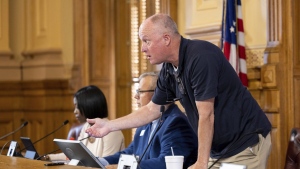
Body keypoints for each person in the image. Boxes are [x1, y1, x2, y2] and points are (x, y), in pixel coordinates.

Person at [86, 13, 272, 169]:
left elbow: (206, 115)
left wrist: (201, 162)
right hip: (218, 150)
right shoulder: (169, 68)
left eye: (146, 41)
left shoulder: (200, 57)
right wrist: (109, 125)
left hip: (245, 143)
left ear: (166, 39)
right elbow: (152, 110)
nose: (142, 49)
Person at [99, 72, 198, 169]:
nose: (136, 96)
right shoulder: (144, 121)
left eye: (140, 92)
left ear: (157, 94)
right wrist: (101, 162)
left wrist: (123, 167)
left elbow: (166, 163)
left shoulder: (176, 122)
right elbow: (131, 152)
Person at [47, 85, 125, 161]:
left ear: (88, 105)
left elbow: (106, 164)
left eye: (77, 106)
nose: (75, 112)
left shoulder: (111, 132)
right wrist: (48, 157)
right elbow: (74, 155)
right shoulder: (86, 126)